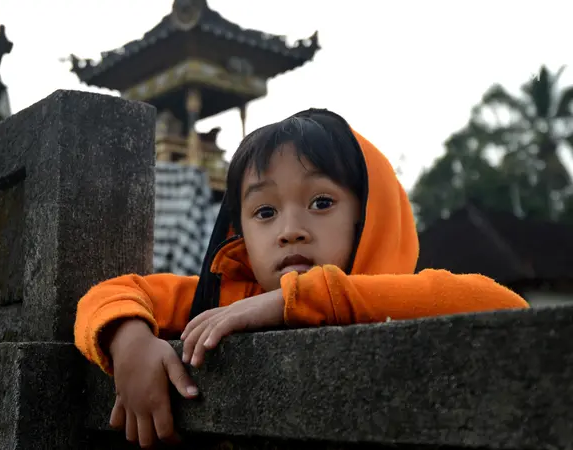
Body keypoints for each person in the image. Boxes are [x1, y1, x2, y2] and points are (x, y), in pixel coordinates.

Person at [74, 109, 529, 447]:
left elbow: (506, 308)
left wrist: (296, 300)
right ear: (240, 231)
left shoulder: (399, 297)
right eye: (265, 212)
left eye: (321, 203)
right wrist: (129, 343)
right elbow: (113, 293)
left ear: (367, 215)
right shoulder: (223, 299)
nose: (290, 229)